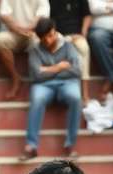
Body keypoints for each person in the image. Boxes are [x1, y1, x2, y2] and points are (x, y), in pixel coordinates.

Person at [20, 18, 82, 160]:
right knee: (36, 98)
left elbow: (77, 71)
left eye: (50, 35)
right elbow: (36, 76)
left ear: (54, 31)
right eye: (44, 38)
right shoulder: (35, 48)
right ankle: (31, 146)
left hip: (67, 83)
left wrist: (46, 70)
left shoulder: (68, 45)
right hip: (43, 86)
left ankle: (70, 144)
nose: (48, 40)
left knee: (76, 97)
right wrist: (60, 67)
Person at [0, 0, 51, 99]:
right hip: (14, 32)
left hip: (34, 33)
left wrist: (29, 28)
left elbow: (43, 14)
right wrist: (18, 29)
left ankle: (37, 82)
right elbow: (3, 14)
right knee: (0, 39)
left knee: (38, 43)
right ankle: (15, 78)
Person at [50, 0, 92, 102]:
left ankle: (85, 93)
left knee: (84, 48)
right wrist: (58, 37)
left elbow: (87, 16)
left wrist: (83, 33)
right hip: (58, 36)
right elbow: (49, 21)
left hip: (78, 35)